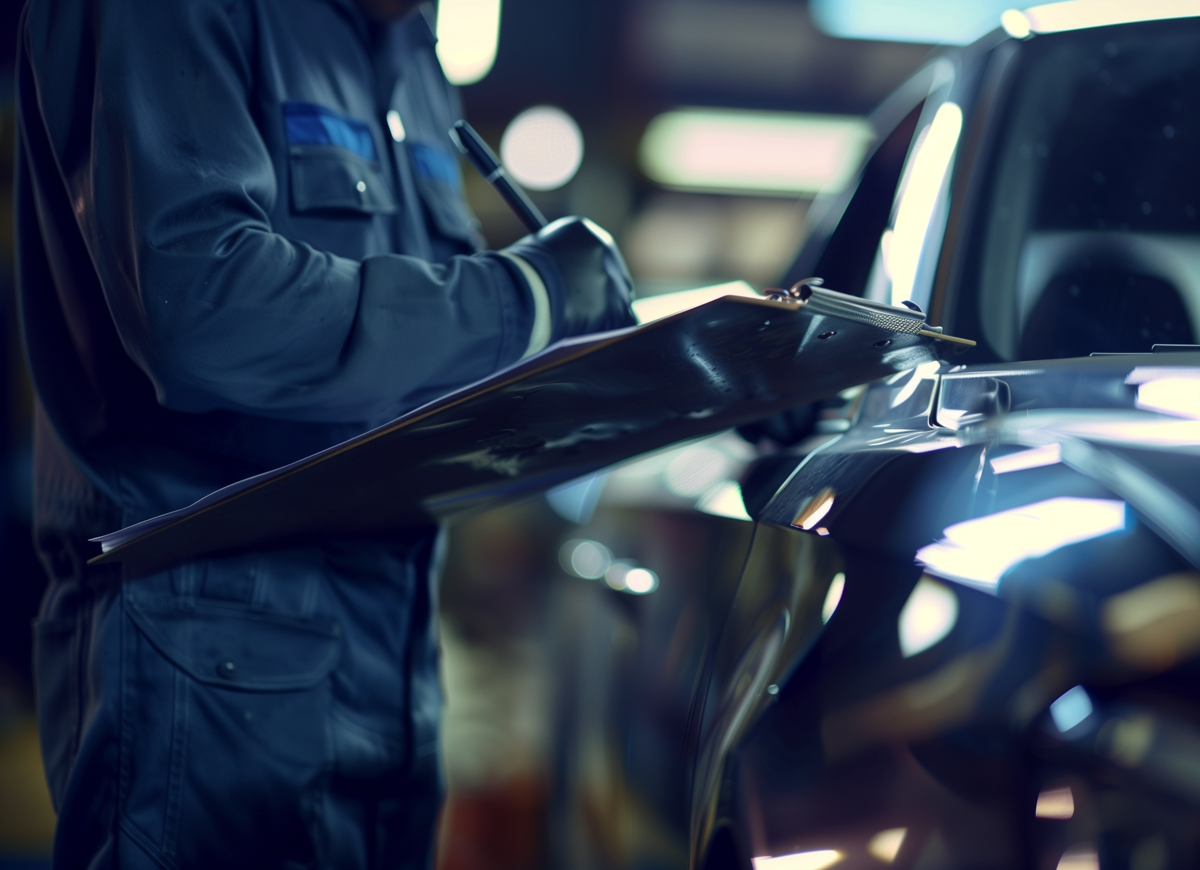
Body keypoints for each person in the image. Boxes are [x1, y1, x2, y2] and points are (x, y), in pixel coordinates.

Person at [14, 0, 635, 866]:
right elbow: (204, 310)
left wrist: (704, 375)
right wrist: (519, 300)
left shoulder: (410, 45)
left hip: (392, 647)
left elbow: (414, 350)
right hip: (207, 652)